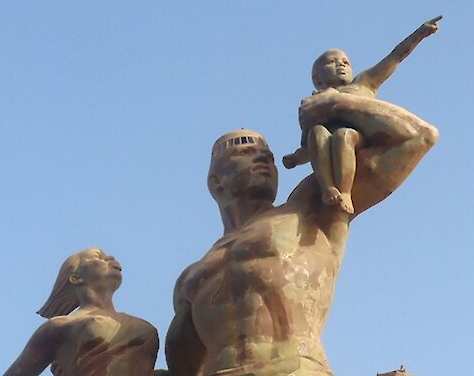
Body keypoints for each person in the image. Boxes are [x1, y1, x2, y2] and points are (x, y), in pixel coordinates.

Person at [165, 115, 438, 374]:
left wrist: (335, 103)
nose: (262, 158)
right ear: (216, 181)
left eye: (268, 157)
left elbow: (417, 138)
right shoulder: (191, 277)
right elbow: (182, 367)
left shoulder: (308, 208)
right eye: (245, 153)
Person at [281, 16, 442, 214]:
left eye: (346, 62)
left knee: (344, 135)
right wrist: (296, 158)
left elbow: (394, 58)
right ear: (317, 79)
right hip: (325, 149)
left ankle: (346, 191)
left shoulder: (362, 85)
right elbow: (308, 147)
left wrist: (418, 35)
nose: (341, 65)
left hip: (357, 140)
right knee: (317, 133)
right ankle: (328, 187)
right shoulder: (312, 104)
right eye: (332, 62)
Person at [4, 248, 160, 376]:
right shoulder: (61, 326)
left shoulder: (138, 324)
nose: (110, 257)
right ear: (76, 277)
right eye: (98, 257)